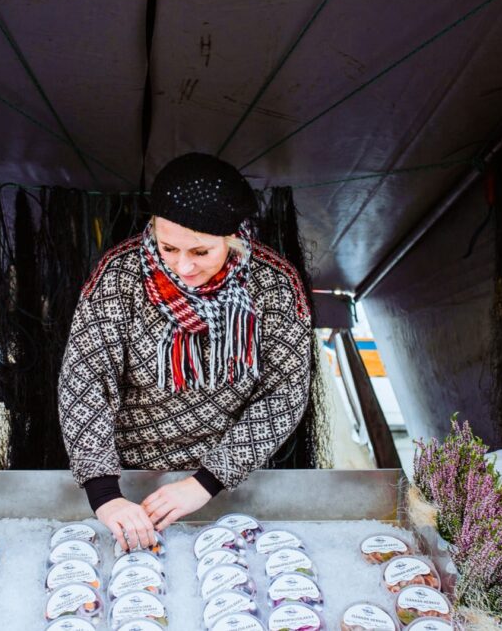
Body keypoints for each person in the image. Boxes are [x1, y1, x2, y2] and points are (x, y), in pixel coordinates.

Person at [57, 152, 313, 550]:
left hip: (230, 484)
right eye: (168, 247)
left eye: (200, 252)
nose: (183, 267)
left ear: (232, 238)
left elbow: (284, 393)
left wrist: (206, 481)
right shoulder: (118, 276)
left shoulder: (275, 286)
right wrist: (104, 493)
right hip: (129, 481)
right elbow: (86, 380)